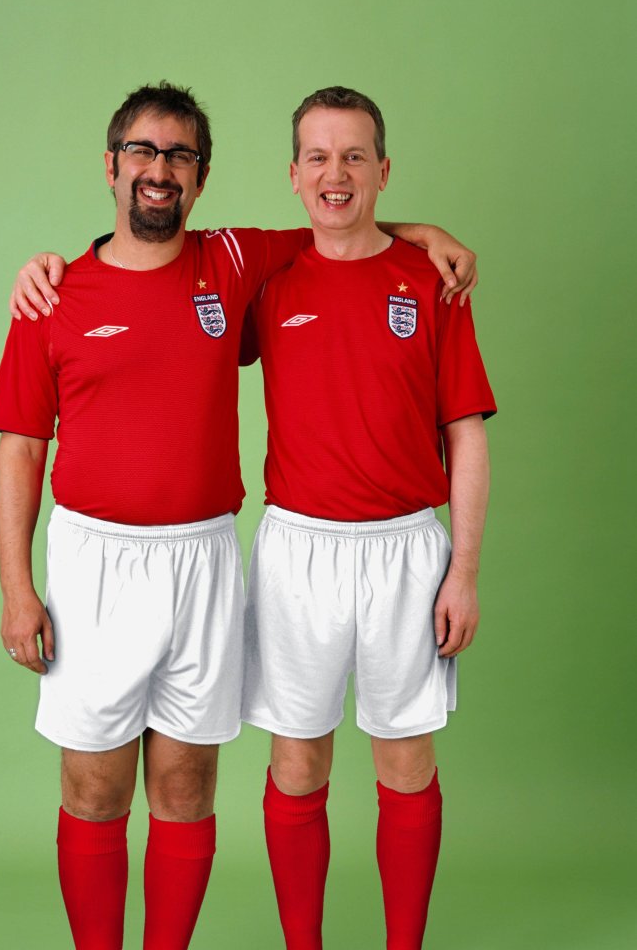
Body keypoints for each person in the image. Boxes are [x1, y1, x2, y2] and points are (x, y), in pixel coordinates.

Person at [0, 81, 479, 950]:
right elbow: (22, 449)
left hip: (212, 557)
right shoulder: (57, 294)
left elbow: (342, 226)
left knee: (187, 789)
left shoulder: (233, 263)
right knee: (97, 788)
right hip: (101, 563)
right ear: (111, 166)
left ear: (202, 177)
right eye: (143, 152)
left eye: (178, 156)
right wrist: (14, 587)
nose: (159, 170)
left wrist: (426, 231)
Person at [238, 87, 496, 950]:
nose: (335, 173)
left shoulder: (431, 281)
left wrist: (463, 569)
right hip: (296, 551)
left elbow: (466, 434)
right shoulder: (268, 279)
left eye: (354, 156)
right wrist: (55, 263)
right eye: (317, 156)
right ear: (293, 175)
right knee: (297, 764)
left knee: (405, 763)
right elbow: (160, 271)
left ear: (384, 172)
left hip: (405, 553)